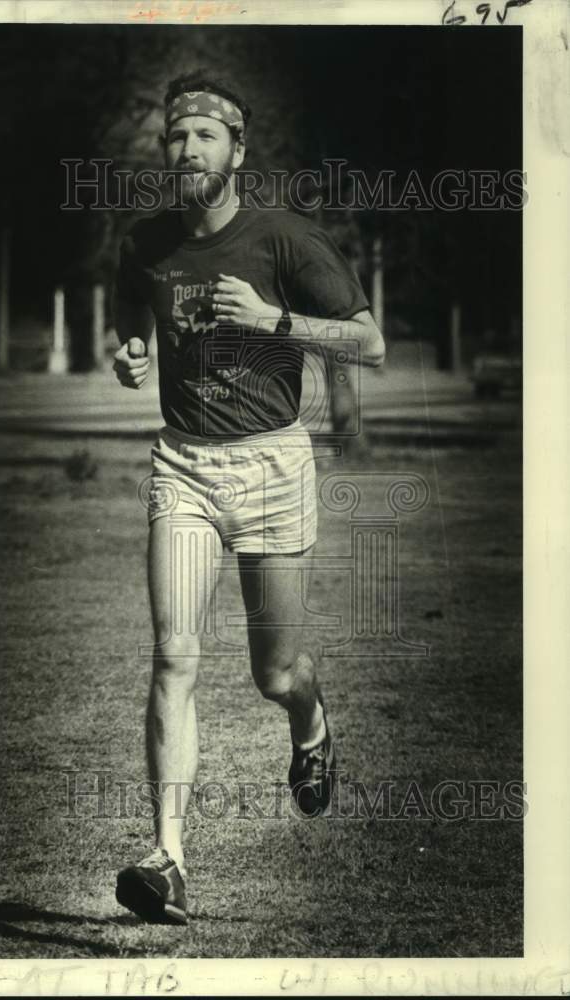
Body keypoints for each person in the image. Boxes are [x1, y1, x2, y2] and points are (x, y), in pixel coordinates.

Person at [112, 71, 385, 926]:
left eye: (204, 137)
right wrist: (128, 360)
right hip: (183, 467)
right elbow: (130, 338)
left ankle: (310, 727)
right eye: (175, 137)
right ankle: (168, 858)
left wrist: (275, 320)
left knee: (273, 673)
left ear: (237, 150)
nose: (186, 150)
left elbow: (370, 343)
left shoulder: (285, 239)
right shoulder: (145, 243)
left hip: (270, 465)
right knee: (173, 656)